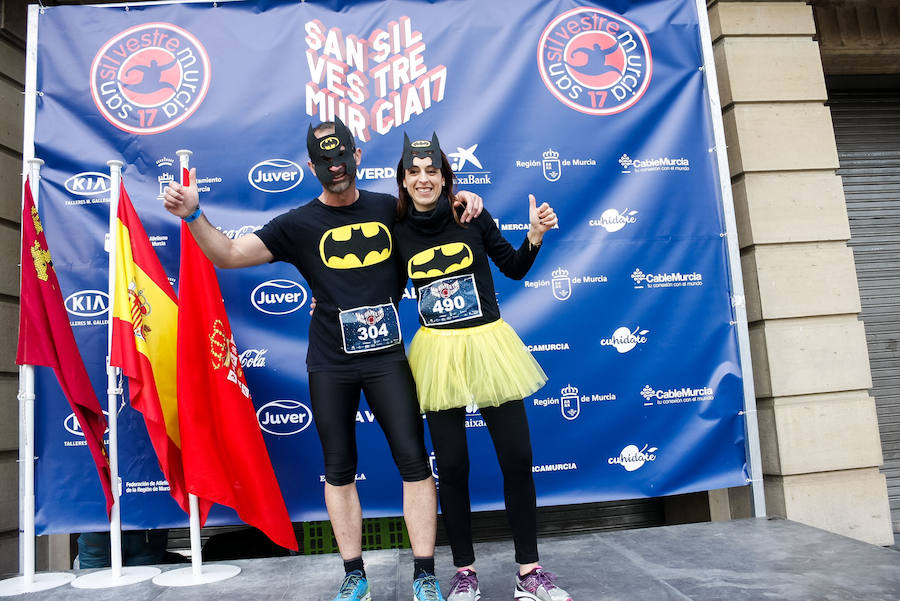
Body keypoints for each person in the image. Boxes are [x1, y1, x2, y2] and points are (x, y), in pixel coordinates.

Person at [163, 118, 481, 601]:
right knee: (338, 469)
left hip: (388, 358)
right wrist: (193, 216)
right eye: (325, 162)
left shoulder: (389, 207)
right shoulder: (298, 224)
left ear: (357, 155)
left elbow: (437, 211)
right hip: (330, 363)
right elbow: (227, 254)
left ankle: (424, 574)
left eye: (343, 158)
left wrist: (469, 201)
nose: (336, 168)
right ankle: (354, 574)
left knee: (416, 465)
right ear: (312, 166)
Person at [392, 133, 573, 601]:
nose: (424, 178)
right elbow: (384, 290)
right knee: (451, 466)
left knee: (517, 457)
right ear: (404, 181)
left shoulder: (471, 215)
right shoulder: (396, 230)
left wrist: (533, 236)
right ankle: (465, 572)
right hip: (437, 352)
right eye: (414, 172)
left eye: (432, 170)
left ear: (446, 178)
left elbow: (512, 267)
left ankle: (528, 572)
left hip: (490, 345)